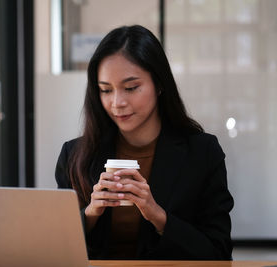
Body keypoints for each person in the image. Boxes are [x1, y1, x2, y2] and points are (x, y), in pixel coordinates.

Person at [55, 25, 234, 260]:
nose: (117, 102)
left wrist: (157, 215)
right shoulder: (75, 154)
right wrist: (90, 214)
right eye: (106, 90)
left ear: (159, 84)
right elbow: (57, 251)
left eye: (131, 88)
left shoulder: (202, 152)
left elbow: (218, 253)